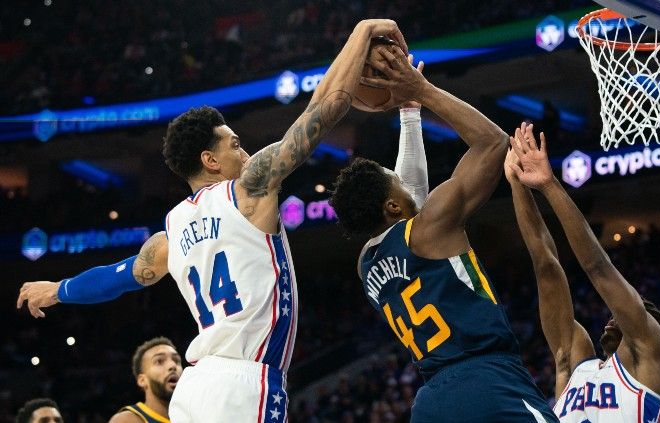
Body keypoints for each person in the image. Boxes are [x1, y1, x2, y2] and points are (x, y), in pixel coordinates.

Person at [16, 19, 409, 422]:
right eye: (235, 144)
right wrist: (361, 33)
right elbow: (324, 109)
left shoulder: (172, 229)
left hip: (195, 389)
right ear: (210, 160)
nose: (246, 152)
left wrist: (59, 289)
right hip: (245, 381)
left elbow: (121, 276)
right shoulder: (250, 188)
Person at [328, 46, 557, 422]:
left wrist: (409, 113)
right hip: (486, 381)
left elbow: (411, 199)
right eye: (396, 181)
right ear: (392, 207)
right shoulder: (431, 226)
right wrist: (423, 89)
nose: (405, 182)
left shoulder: (365, 264)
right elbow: (493, 142)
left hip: (431, 404)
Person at [506, 122, 660, 422]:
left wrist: (549, 185)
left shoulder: (648, 354)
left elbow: (598, 268)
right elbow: (545, 265)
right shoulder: (574, 363)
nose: (613, 315)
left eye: (633, 313)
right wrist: (517, 184)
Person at [110, 337, 182, 423]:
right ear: (142, 380)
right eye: (159, 361)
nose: (172, 365)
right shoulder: (128, 420)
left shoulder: (194, 416)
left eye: (176, 360)